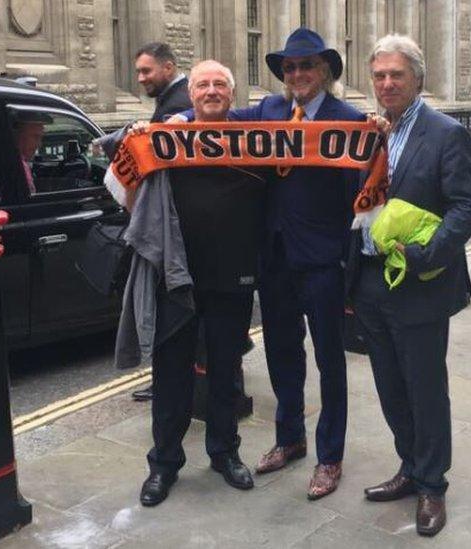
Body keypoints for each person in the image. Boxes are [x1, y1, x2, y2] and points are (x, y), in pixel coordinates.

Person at [174, 27, 364, 500]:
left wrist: (349, 266)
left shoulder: (349, 121)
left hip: (322, 262)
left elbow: (360, 202)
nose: (297, 74)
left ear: (325, 72)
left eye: (307, 66)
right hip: (274, 260)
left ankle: (330, 457)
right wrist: (166, 122)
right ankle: (290, 438)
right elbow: (213, 117)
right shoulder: (268, 111)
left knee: (328, 361)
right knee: (282, 354)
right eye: (290, 67)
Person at [348, 34, 471, 536]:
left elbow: (468, 207)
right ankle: (409, 466)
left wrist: (426, 254)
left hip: (419, 285)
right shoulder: (363, 133)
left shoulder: (446, 133)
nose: (386, 83)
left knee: (425, 389)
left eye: (396, 75)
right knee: (389, 387)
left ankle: (432, 485)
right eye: (379, 75)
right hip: (368, 283)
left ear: (418, 80)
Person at [135, 60, 267, 507]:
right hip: (178, 277)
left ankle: (224, 454)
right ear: (190, 95)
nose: (211, 91)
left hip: (233, 275)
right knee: (170, 374)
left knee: (225, 374)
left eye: (219, 84)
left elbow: (300, 115)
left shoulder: (257, 137)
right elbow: (126, 181)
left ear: (232, 94)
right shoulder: (168, 135)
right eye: (202, 85)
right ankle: (164, 465)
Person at [129, 42, 193, 403]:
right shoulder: (170, 102)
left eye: (146, 71)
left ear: (168, 68)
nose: (140, 78)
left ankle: (169, 381)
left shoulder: (178, 104)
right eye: (139, 72)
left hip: (175, 225)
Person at [12, 112, 50, 195]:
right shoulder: (17, 165)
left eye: (40, 138)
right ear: (18, 135)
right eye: (35, 137)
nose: (39, 144)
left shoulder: (20, 162)